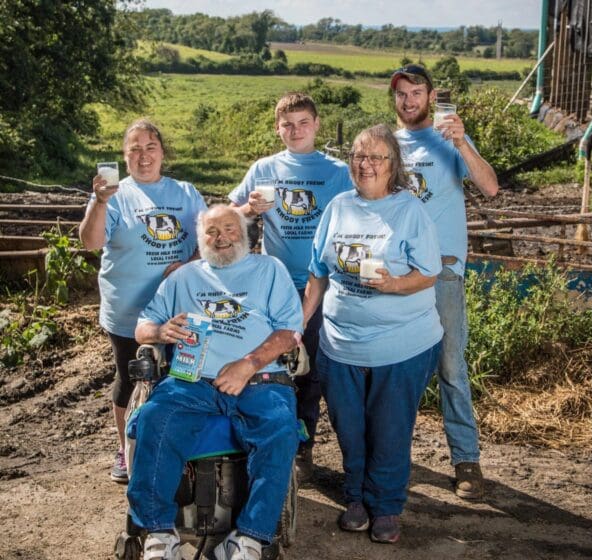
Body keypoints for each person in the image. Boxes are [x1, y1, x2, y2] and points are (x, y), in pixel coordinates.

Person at [131, 205, 302, 560]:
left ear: (246, 233)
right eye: (211, 231)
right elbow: (142, 327)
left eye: (229, 227)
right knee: (153, 419)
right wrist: (161, 332)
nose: (221, 237)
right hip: (192, 378)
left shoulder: (269, 269)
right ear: (201, 239)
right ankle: (160, 532)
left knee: (279, 428)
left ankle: (250, 538)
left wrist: (248, 363)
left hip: (260, 377)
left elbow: (289, 331)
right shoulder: (183, 277)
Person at [303, 125, 442, 544]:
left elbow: (429, 273)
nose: (367, 165)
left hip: (402, 344)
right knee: (349, 429)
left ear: (393, 165)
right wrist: (300, 323)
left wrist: (394, 285)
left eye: (377, 157)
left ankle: (386, 507)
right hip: (340, 343)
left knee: (389, 429)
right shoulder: (338, 207)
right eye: (360, 157)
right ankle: (356, 500)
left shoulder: (409, 210)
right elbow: (317, 272)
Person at [229, 92, 354, 481]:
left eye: (303, 123)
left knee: (310, 370)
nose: (295, 130)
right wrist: (248, 210)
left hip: (324, 287)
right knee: (269, 364)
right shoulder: (263, 170)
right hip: (273, 288)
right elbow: (227, 217)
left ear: (316, 124)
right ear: (277, 128)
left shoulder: (337, 172)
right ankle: (267, 439)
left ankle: (303, 445)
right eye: (287, 124)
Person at [390, 63, 500, 500]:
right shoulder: (385, 145)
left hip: (444, 275)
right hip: (398, 276)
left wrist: (462, 142)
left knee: (451, 367)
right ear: (394, 98)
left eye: (417, 92)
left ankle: (466, 460)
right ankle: (395, 457)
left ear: (431, 97)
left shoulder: (450, 138)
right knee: (397, 368)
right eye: (401, 93)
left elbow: (490, 187)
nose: (409, 100)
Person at [79, 118, 207, 484]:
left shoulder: (185, 192)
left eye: (150, 147)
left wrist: (190, 263)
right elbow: (90, 241)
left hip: (181, 309)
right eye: (134, 148)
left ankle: (180, 451)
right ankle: (126, 448)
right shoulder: (114, 195)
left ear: (163, 152)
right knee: (131, 378)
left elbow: (208, 239)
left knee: (184, 378)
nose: (143, 155)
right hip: (129, 311)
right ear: (124, 156)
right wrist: (99, 202)